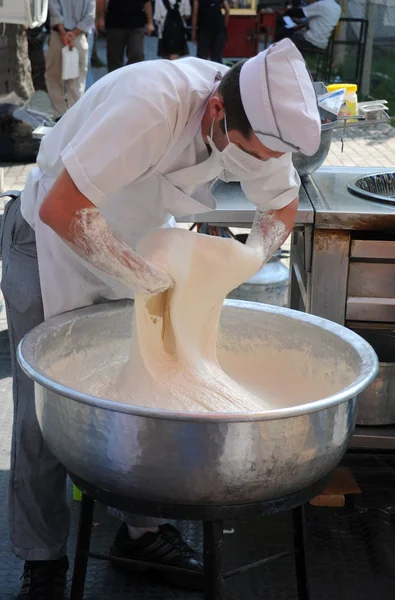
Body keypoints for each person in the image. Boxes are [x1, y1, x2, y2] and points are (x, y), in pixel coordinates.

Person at [1, 38, 321, 600]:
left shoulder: (256, 119)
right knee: (44, 414)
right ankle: (42, 559)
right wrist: (146, 280)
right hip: (48, 244)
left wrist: (245, 258)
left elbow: (281, 205)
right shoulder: (151, 104)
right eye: (252, 155)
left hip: (135, 247)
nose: (256, 168)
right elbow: (62, 207)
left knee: (146, 394)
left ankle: (140, 534)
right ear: (217, 111)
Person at [45, 0, 96, 119]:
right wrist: (73, 34)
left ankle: (59, 114)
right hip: (77, 37)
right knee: (77, 80)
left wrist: (64, 34)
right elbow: (90, 16)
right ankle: (75, 116)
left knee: (54, 77)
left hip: (59, 36)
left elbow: (54, 12)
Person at [98, 0, 154, 72]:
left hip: (136, 24)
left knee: (137, 54)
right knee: (114, 59)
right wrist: (100, 18)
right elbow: (102, 1)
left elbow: (147, 2)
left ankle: (130, 76)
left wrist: (150, 22)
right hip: (114, 24)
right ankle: (116, 80)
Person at [276, 0, 341, 52]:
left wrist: (284, 13)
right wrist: (298, 26)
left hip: (310, 41)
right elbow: (316, 22)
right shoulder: (337, 8)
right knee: (290, 33)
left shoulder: (322, 4)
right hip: (323, 42)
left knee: (282, 40)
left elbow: (300, 13)